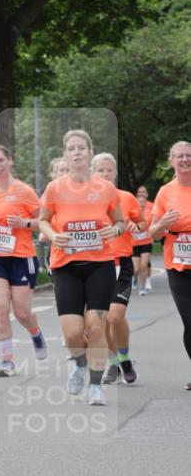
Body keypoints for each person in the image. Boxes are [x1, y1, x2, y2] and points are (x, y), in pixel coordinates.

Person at [38, 130, 124, 406]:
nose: (77, 153)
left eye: (81, 148)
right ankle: (80, 363)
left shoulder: (105, 188)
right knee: (73, 332)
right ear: (66, 154)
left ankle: (96, 387)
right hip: (66, 265)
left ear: (89, 152)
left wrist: (115, 229)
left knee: (96, 326)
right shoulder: (54, 189)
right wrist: (53, 235)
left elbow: (120, 221)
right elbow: (43, 220)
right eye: (71, 149)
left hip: (100, 264)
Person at [0, 145, 47, 377]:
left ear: (10, 161)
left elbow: (43, 222)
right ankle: (7, 361)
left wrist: (24, 224)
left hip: (20, 257)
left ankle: (36, 333)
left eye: (0, 160)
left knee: (22, 312)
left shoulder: (25, 191)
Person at [91, 153, 144, 385]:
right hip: (95, 263)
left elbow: (143, 223)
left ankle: (124, 357)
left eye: (108, 170)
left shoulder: (127, 198)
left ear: (115, 173)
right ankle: (114, 363)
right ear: (94, 173)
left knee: (116, 316)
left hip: (121, 263)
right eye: (100, 170)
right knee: (101, 319)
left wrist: (134, 224)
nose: (105, 174)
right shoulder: (87, 200)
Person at [149, 140, 191, 390]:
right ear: (171, 161)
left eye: (189, 155)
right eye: (180, 156)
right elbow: (153, 234)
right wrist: (163, 222)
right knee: (190, 321)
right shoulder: (165, 192)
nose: (185, 159)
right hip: (177, 266)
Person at [133, 185, 154, 294]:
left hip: (146, 241)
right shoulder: (132, 206)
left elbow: (153, 221)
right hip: (134, 242)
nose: (141, 193)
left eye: (143, 192)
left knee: (143, 265)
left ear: (146, 194)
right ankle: (135, 277)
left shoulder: (151, 206)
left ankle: (142, 288)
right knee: (135, 269)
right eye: (139, 191)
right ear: (137, 194)